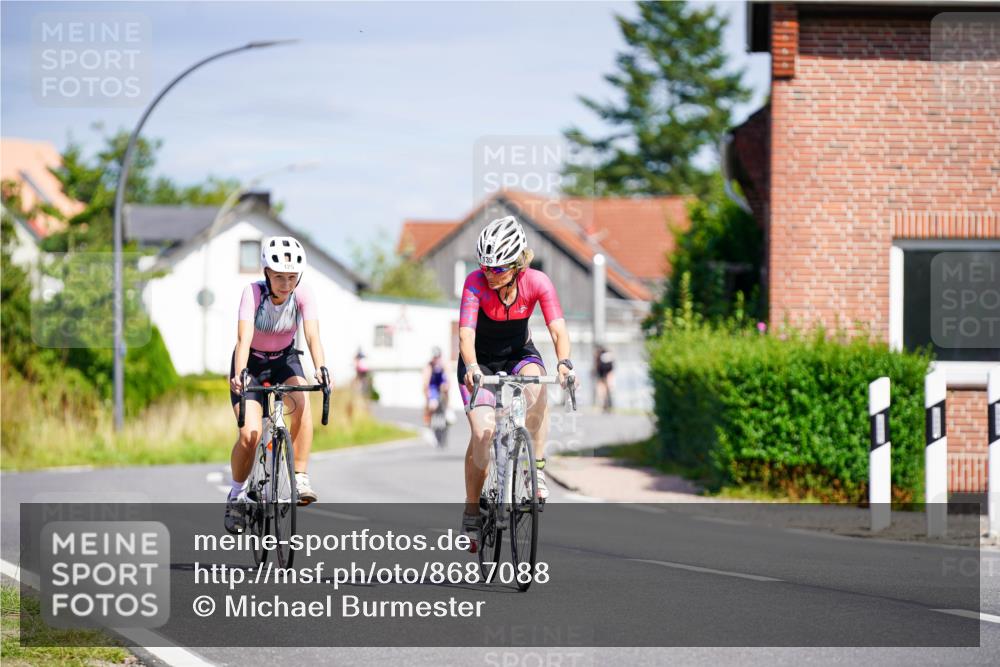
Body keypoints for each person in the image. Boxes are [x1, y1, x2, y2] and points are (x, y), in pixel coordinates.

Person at [457, 215, 576, 538]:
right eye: (484, 266)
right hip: (478, 361)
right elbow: (465, 334)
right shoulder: (474, 283)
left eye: (497, 269)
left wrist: (564, 362)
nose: (489, 274)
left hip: (518, 355)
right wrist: (471, 367)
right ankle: (471, 507)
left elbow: (557, 328)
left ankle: (535, 469)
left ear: (517, 265)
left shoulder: (538, 282)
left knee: (538, 385)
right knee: (483, 434)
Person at [225, 236, 329, 534]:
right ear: (266, 273)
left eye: (292, 277)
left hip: (284, 359)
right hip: (251, 363)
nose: (286, 284)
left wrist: (321, 368)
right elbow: (243, 338)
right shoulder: (253, 294)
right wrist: (241, 372)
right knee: (249, 435)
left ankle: (300, 475)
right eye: (280, 277)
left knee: (302, 399)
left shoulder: (304, 294)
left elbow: (312, 336)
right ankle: (235, 495)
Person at [423, 346, 450, 426]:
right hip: (433, 387)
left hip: (441, 385)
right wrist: (427, 394)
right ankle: (428, 416)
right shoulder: (429, 366)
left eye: (438, 357)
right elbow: (425, 382)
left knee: (446, 388)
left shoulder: (444, 364)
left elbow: (448, 379)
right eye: (435, 357)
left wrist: (447, 386)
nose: (437, 359)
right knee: (432, 406)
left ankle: (448, 409)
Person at [594, 344, 615, 413]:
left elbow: (599, 367)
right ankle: (607, 405)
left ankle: (606, 405)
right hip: (605, 374)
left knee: (603, 391)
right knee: (606, 391)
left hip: (604, 375)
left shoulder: (601, 355)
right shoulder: (606, 355)